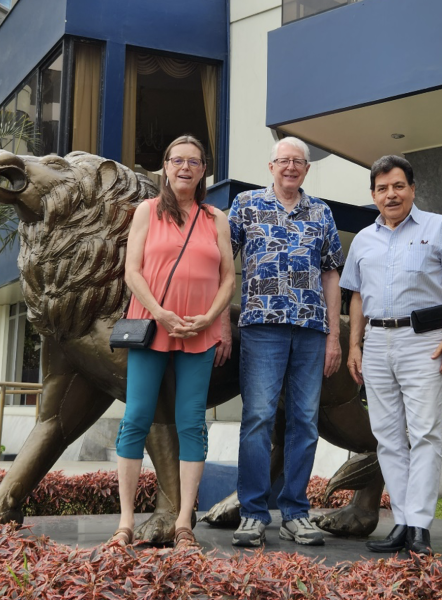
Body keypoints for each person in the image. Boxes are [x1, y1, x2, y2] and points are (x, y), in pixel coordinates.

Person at [340, 155, 442, 556]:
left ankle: (419, 526)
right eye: (382, 188)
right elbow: (357, 295)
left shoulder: (439, 227)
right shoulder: (364, 239)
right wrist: (354, 344)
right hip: (378, 344)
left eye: (398, 186)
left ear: (412, 189)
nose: (391, 194)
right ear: (373, 195)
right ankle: (401, 522)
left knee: (424, 433)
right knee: (387, 437)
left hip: (425, 341)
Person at [111, 135, 235, 549]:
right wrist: (160, 312)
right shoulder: (146, 211)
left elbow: (229, 277)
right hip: (151, 326)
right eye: (177, 159)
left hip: (199, 332)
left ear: (203, 171)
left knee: (191, 424)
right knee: (136, 419)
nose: (185, 167)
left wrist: (211, 316)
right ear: (165, 166)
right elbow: (132, 271)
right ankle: (125, 522)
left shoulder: (216, 218)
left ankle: (184, 522)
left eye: (194, 162)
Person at [225, 137, 344, 547]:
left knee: (305, 422)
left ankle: (296, 513)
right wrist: (221, 319)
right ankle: (253, 514)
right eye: (284, 161)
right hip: (262, 326)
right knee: (257, 418)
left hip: (311, 329)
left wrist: (334, 335)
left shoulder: (322, 212)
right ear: (271, 166)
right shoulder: (246, 205)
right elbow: (223, 261)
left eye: (298, 162)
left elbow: (331, 273)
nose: (291, 167)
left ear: (306, 170)